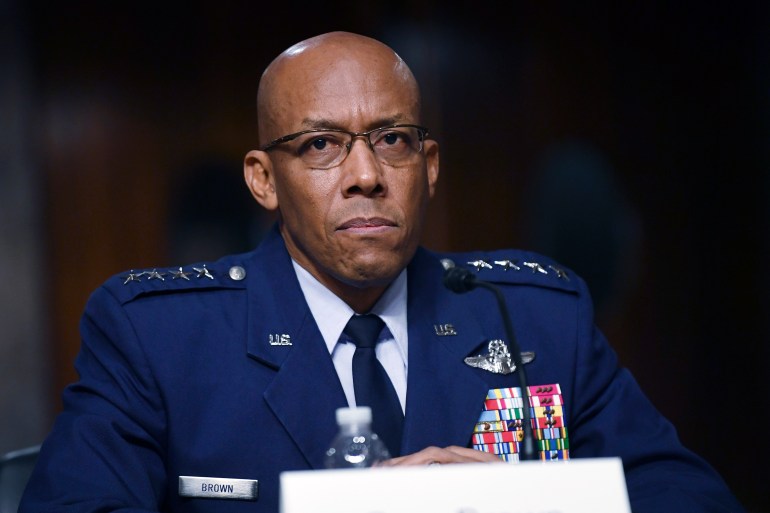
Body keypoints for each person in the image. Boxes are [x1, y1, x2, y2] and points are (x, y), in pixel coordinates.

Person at [20, 31, 744, 513]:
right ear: (263, 180)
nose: (365, 175)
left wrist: (529, 500)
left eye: (392, 140)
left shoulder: (530, 313)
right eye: (321, 146)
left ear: (427, 168)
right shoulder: (160, 338)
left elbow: (692, 498)